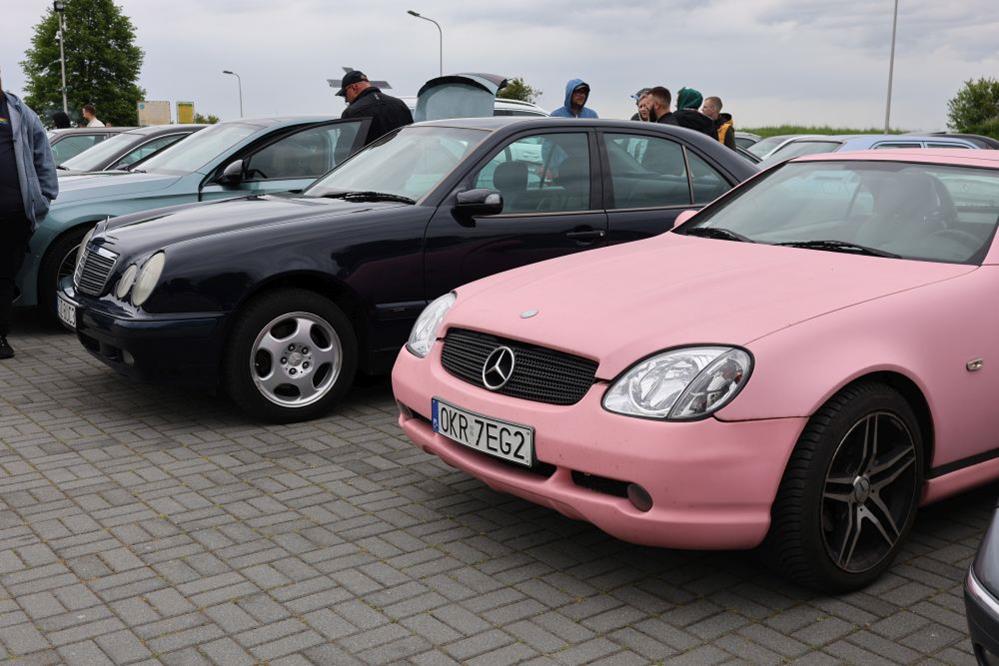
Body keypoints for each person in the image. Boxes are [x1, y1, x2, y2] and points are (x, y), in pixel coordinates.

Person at [0, 76, 58, 359]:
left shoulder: (19, 112)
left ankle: (0, 336)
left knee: (4, 277)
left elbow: (42, 155)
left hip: (13, 216)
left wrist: (45, 196)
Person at [336, 70, 413, 147]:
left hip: (371, 155)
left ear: (354, 87)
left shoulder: (352, 112)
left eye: (345, 94)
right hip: (402, 154)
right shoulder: (399, 104)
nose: (346, 100)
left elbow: (344, 148)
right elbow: (411, 137)